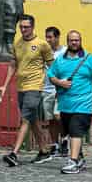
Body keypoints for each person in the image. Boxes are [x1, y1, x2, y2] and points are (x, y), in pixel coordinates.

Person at [47, 30, 92, 174]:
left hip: (83, 103)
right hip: (65, 104)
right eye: (72, 40)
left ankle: (72, 162)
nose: (74, 43)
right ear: (67, 42)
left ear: (80, 41)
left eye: (77, 40)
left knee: (75, 131)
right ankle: (80, 159)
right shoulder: (60, 60)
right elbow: (51, 75)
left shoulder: (89, 58)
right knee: (69, 132)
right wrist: (59, 82)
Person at [2, 14, 54, 168]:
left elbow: (52, 66)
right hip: (21, 86)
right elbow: (13, 65)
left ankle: (14, 153)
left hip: (35, 86)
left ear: (33, 27)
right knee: (32, 119)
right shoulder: (17, 43)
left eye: (26, 27)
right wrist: (5, 85)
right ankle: (44, 150)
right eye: (21, 27)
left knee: (24, 119)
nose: (23, 29)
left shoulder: (42, 44)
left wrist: (58, 84)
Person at [39, 26, 64, 156]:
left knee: (59, 116)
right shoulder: (43, 52)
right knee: (51, 120)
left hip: (60, 89)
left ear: (57, 37)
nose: (48, 40)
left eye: (50, 37)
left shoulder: (64, 52)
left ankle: (65, 140)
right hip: (46, 89)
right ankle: (55, 144)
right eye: (46, 37)